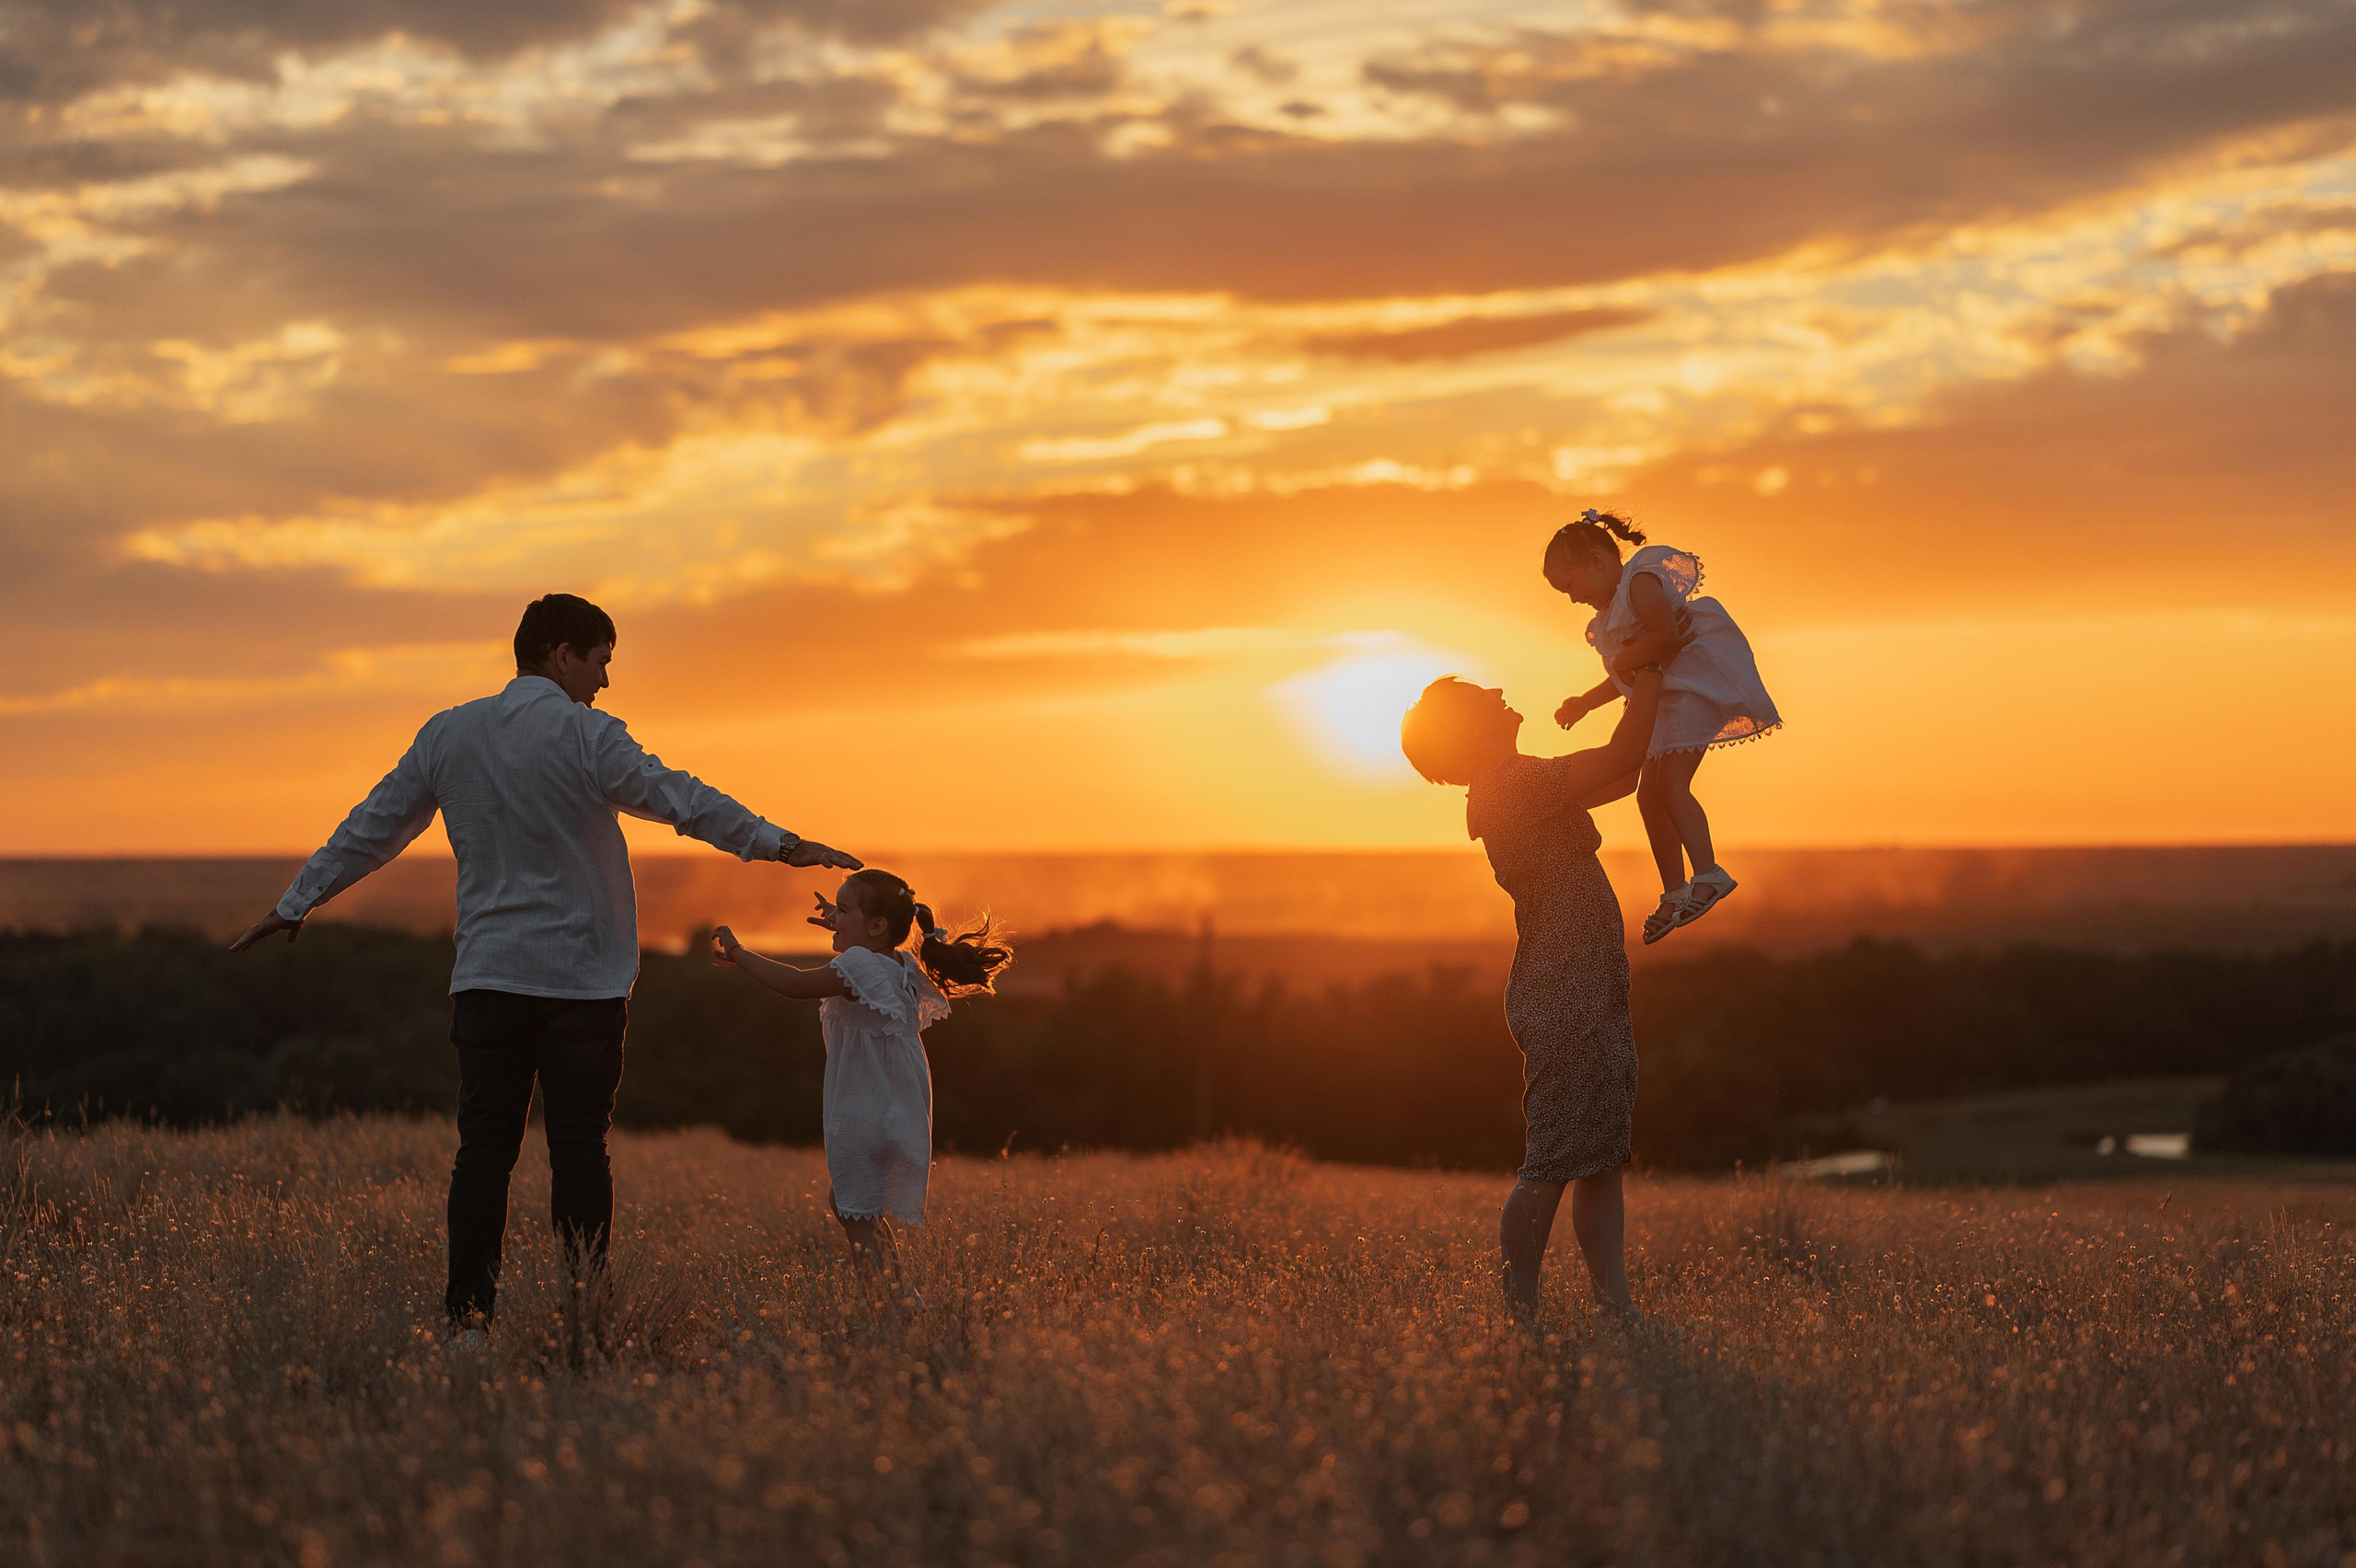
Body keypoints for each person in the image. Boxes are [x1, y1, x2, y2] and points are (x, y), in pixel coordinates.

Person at [228, 594, 860, 1348]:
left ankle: (468, 1328)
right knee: (579, 1150)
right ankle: (585, 1320)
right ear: (561, 653)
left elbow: (375, 826)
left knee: (483, 1154)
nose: (604, 682)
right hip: (583, 984)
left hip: (489, 978)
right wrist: (781, 844)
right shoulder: (589, 735)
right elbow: (680, 800)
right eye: (600, 662)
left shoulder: (447, 733)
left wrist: (299, 900)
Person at [1401, 653, 1679, 1324]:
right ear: (1466, 736)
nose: (1497, 689)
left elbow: (1626, 768)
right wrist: (1649, 673)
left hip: (1585, 984)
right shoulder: (1513, 785)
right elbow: (1621, 754)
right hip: (1566, 989)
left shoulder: (1515, 784)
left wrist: (1659, 700)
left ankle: (1616, 1310)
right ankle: (1520, 1314)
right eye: (1478, 698)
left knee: (1599, 1155)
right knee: (1554, 1159)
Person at [710, 870, 1011, 1309]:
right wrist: (845, 920)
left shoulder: (861, 966)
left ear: (876, 926)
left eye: (843, 910)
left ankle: (891, 1302)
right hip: (895, 1100)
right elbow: (863, 941)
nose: (834, 918)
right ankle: (899, 1294)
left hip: (868, 1102)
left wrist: (738, 952)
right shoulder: (894, 963)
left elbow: (794, 984)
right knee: (854, 1204)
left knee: (853, 1205)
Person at [1546, 509, 1781, 944]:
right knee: (1648, 796)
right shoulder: (1611, 615)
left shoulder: (1640, 581)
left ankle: (1710, 873)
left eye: (1571, 586)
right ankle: (1675, 890)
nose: (1573, 598)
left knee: (1671, 786)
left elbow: (1666, 635)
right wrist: (1586, 703)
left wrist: (1624, 661)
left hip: (1691, 688)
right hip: (1665, 696)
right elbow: (1626, 677)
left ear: (1598, 561)